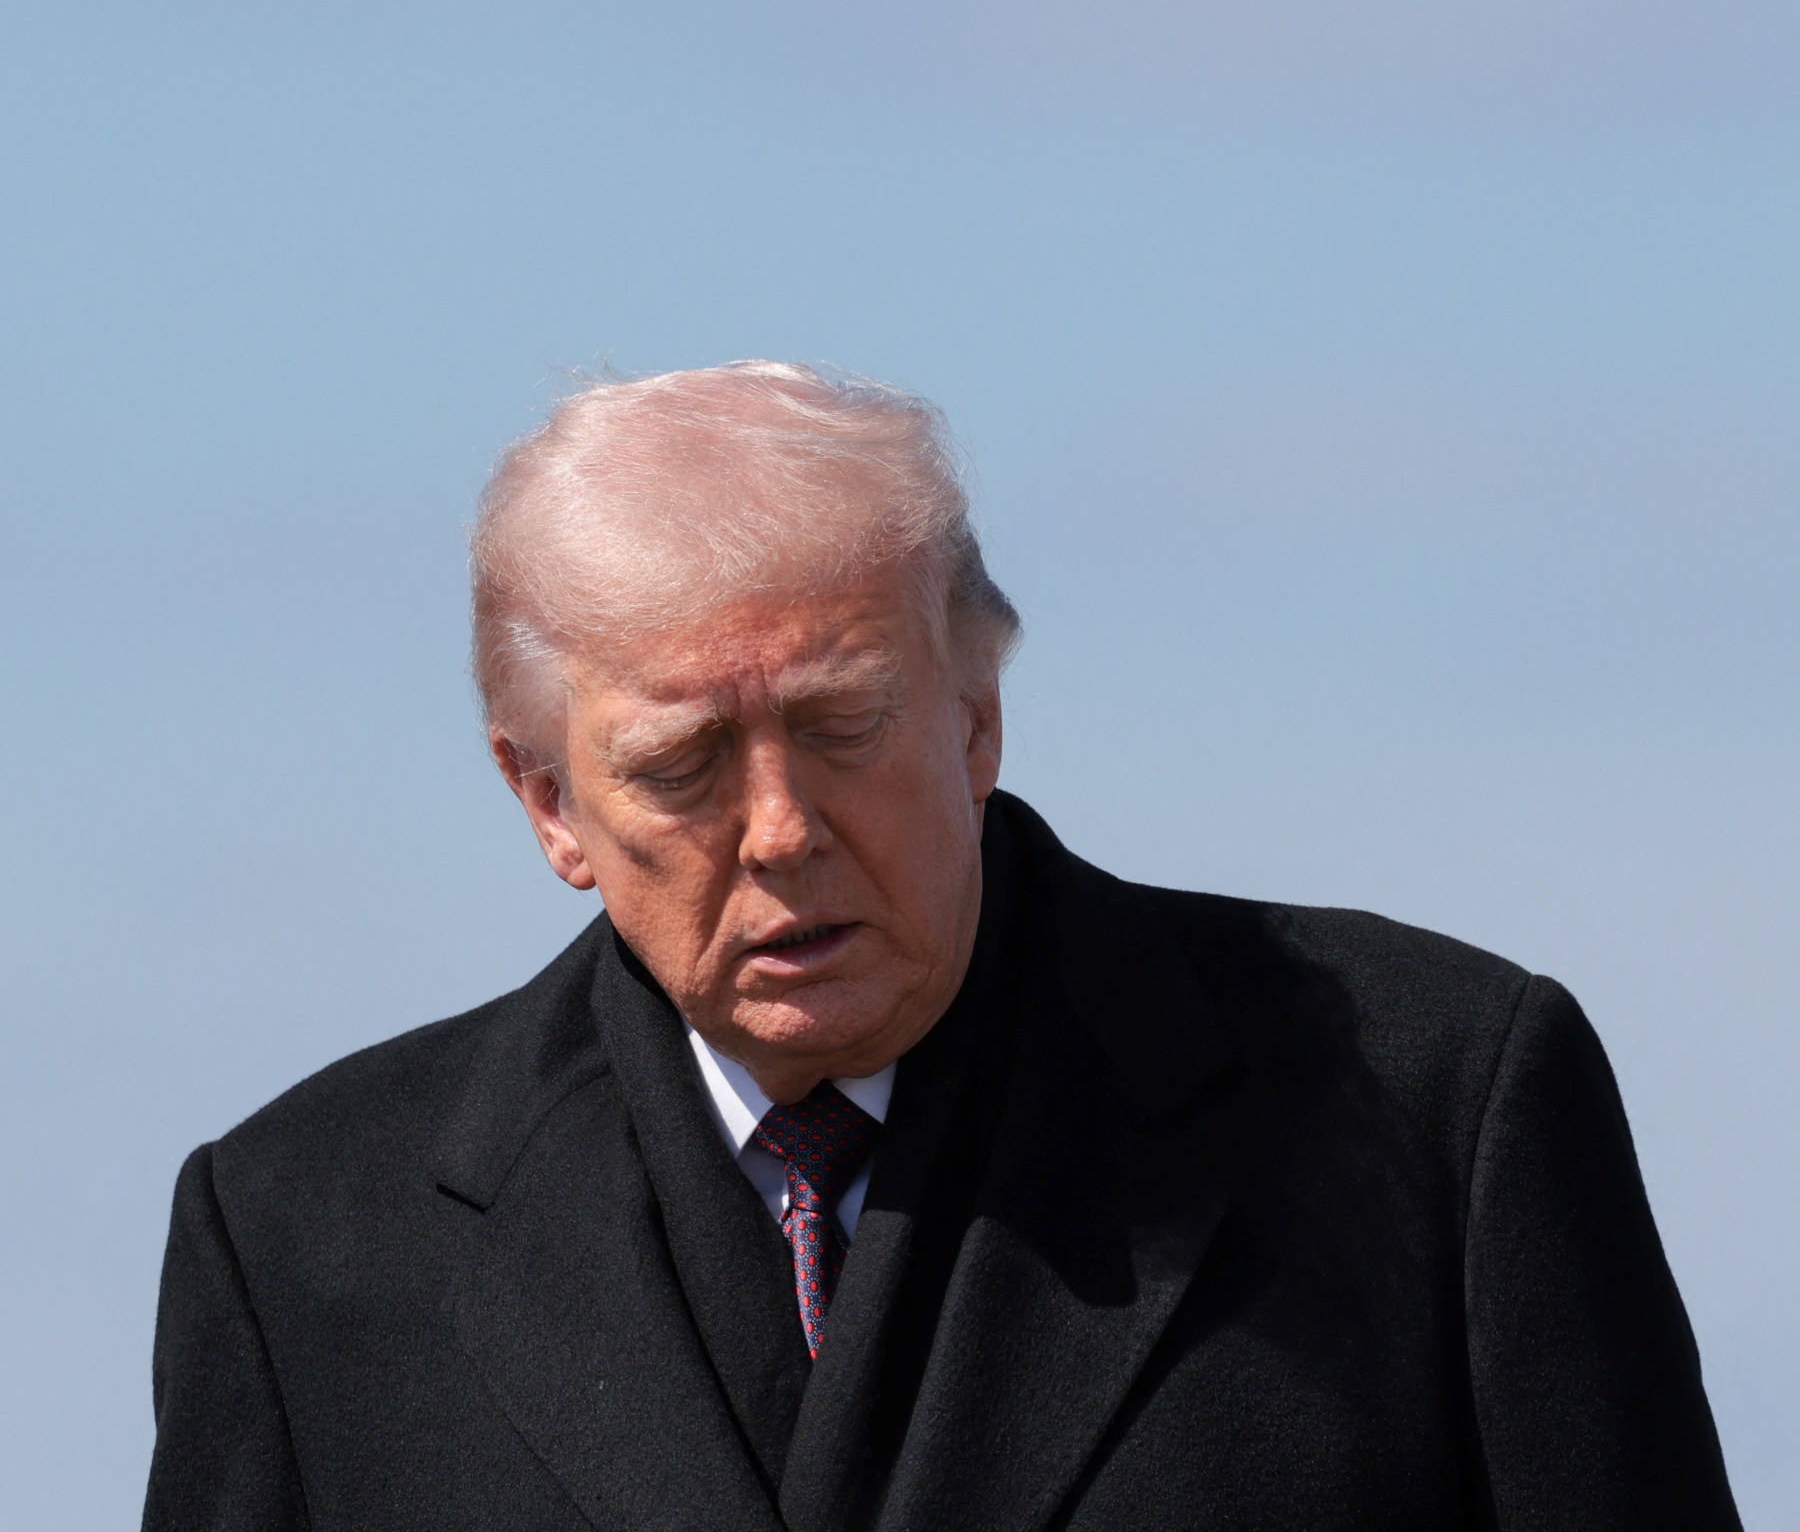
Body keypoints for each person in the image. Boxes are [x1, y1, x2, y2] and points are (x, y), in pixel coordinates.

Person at [142, 361, 1741, 1531]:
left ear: (978, 718)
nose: (780, 829)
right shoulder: (301, 1239)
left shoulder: (1435, 1107)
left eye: (844, 728)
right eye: (682, 766)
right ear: (548, 800)